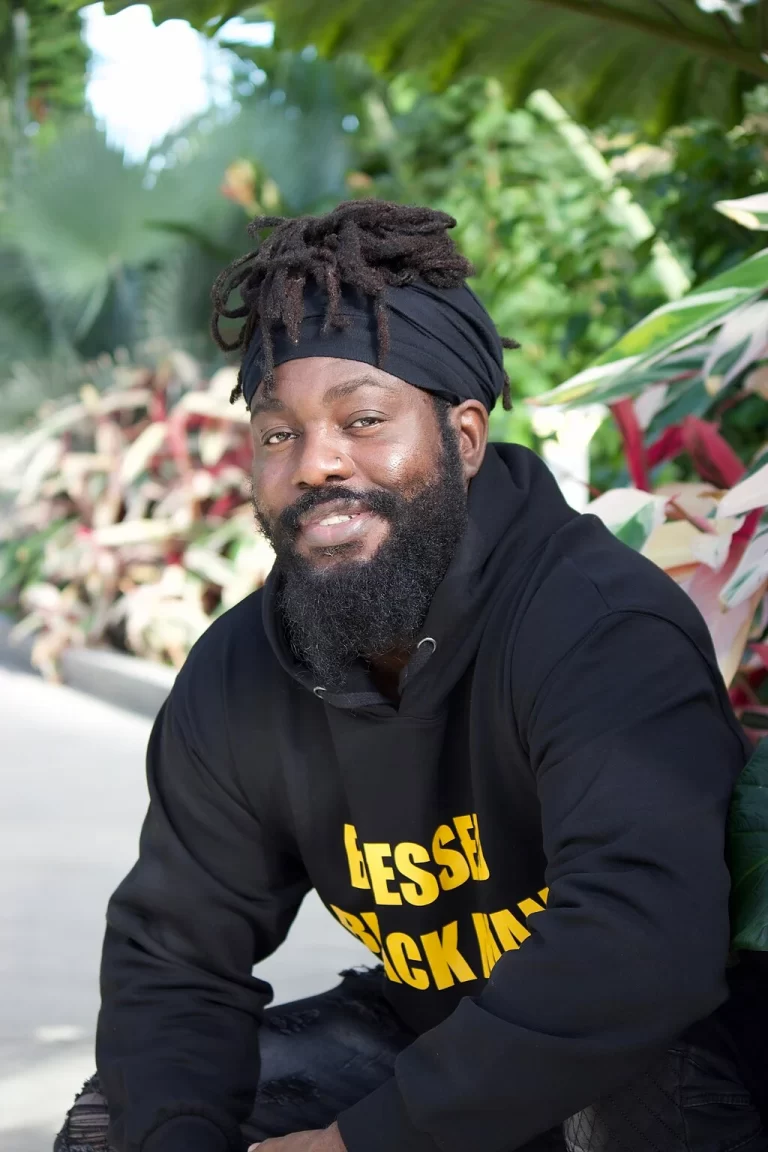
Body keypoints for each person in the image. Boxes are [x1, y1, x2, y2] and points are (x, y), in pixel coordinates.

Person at [57, 200, 767, 1152]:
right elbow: (175, 958)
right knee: (124, 1121)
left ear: (463, 438)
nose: (316, 464)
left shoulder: (599, 626)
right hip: (433, 1038)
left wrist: (368, 1141)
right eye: (278, 435)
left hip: (656, 1064)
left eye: (362, 420)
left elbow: (638, 943)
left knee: (634, 1101)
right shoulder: (237, 675)